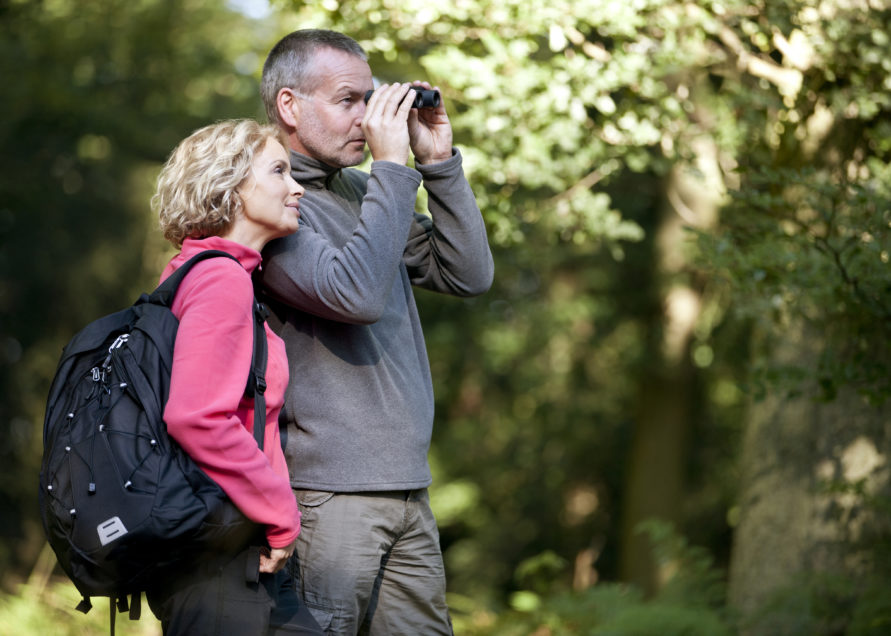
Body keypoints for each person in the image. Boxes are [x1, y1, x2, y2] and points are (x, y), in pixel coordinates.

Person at [257, 30, 494, 635]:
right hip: (328, 495)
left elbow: (467, 273)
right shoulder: (273, 205)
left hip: (408, 487)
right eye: (347, 101)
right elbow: (353, 295)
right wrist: (392, 167)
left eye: (372, 99)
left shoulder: (362, 190)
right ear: (290, 106)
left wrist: (437, 164)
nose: (366, 118)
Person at [146, 118, 322, 636]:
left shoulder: (192, 270)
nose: (297, 186)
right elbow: (196, 415)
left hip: (220, 552)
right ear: (232, 186)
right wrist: (280, 513)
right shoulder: (221, 279)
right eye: (279, 171)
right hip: (224, 557)